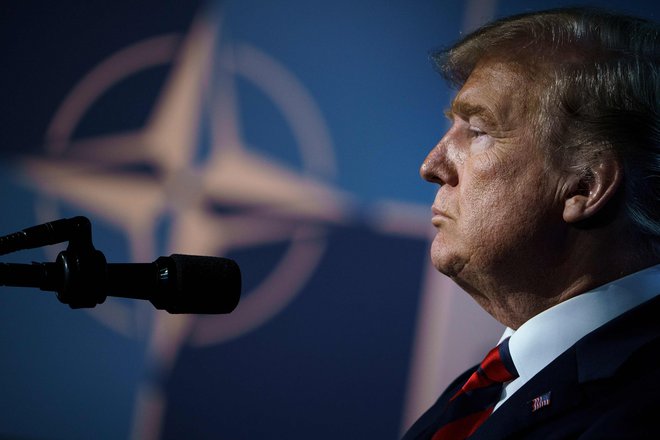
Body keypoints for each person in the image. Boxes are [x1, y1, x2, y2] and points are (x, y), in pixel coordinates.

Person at [402, 6, 660, 440]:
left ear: (585, 185)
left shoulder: (642, 406)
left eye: (479, 129)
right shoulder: (482, 392)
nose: (431, 165)